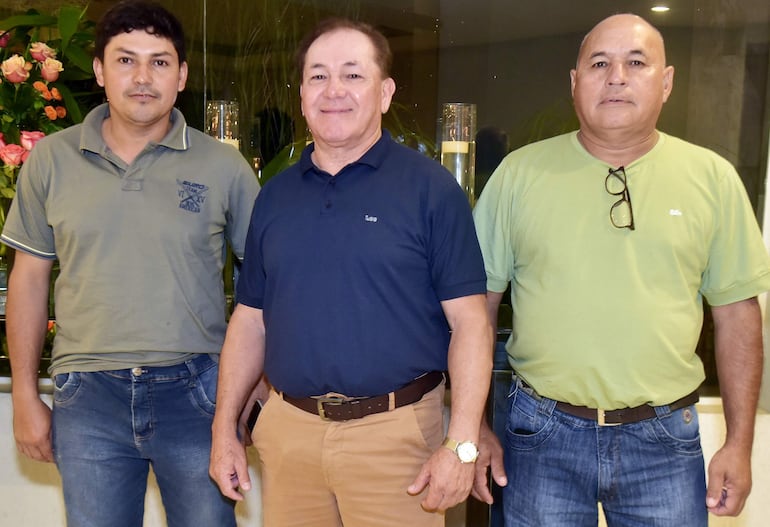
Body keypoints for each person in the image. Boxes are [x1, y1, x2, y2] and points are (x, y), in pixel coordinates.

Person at [473, 13, 770, 526]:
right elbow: (476, 310)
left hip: (664, 442)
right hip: (540, 435)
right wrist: (473, 428)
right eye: (599, 64)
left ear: (666, 82)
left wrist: (739, 445)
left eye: (636, 63)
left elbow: (739, 318)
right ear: (574, 82)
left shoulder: (712, 179)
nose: (616, 77)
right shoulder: (518, 175)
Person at [209, 17, 497, 526]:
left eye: (353, 75)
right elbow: (250, 320)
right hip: (290, 436)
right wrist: (224, 428)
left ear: (385, 93)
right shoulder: (274, 198)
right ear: (302, 96)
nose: (334, 90)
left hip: (396, 441)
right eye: (318, 76)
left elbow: (471, 324)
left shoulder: (431, 191)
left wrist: (462, 445)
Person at [1, 1, 259, 525]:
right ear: (99, 70)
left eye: (159, 62)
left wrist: (254, 387)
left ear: (181, 76)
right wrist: (25, 395)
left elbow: (266, 283)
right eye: (125, 60)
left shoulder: (223, 166)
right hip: (87, 396)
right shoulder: (50, 160)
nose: (142, 78)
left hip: (199, 395)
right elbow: (28, 280)